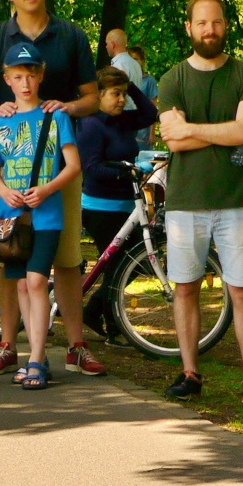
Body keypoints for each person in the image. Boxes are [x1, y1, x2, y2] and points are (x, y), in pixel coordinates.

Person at [0, 0, 107, 378]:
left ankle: (75, 345)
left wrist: (66, 108)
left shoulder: (70, 35)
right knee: (10, 254)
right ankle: (8, 345)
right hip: (11, 168)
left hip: (58, 164)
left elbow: (93, 97)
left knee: (65, 257)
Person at [154, 0, 243, 406]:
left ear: (225, 25)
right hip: (185, 202)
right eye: (202, 23)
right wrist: (225, 132)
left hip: (237, 202)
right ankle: (190, 373)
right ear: (189, 27)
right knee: (185, 289)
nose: (210, 30)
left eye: (217, 22)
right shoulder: (171, 79)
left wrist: (192, 129)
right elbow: (173, 140)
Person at [0, 42, 80, 390]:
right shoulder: (0, 121)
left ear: (41, 76)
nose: (25, 83)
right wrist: (4, 191)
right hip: (11, 219)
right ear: (7, 79)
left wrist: (47, 189)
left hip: (47, 215)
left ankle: (36, 358)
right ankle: (34, 356)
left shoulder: (56, 116)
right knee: (21, 283)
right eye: (18, 76)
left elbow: (73, 165)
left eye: (31, 75)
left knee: (37, 280)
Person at [75, 65, 157, 334]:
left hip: (125, 206)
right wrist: (127, 171)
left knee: (132, 265)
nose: (122, 100)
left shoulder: (123, 120)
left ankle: (94, 312)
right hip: (101, 208)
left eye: (124, 94)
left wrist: (130, 85)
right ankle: (111, 325)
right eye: (115, 94)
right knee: (119, 268)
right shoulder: (91, 125)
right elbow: (92, 168)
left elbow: (150, 113)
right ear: (98, 95)